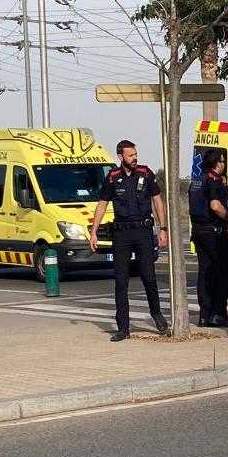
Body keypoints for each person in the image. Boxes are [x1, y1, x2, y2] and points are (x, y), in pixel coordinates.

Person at [89, 140, 168, 342]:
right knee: (121, 281)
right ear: (120, 156)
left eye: (135, 154)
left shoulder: (145, 173)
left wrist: (163, 229)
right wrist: (94, 232)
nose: (135, 158)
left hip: (143, 230)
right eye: (131, 155)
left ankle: (157, 314)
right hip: (122, 234)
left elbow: (157, 200)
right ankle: (123, 327)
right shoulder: (113, 177)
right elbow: (102, 204)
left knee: (148, 277)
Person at [189, 148, 228, 328]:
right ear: (217, 163)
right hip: (214, 231)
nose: (224, 165)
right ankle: (218, 313)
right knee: (224, 271)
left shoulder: (197, 181)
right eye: (223, 161)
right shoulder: (214, 180)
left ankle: (204, 315)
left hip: (199, 231)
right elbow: (216, 206)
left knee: (205, 273)